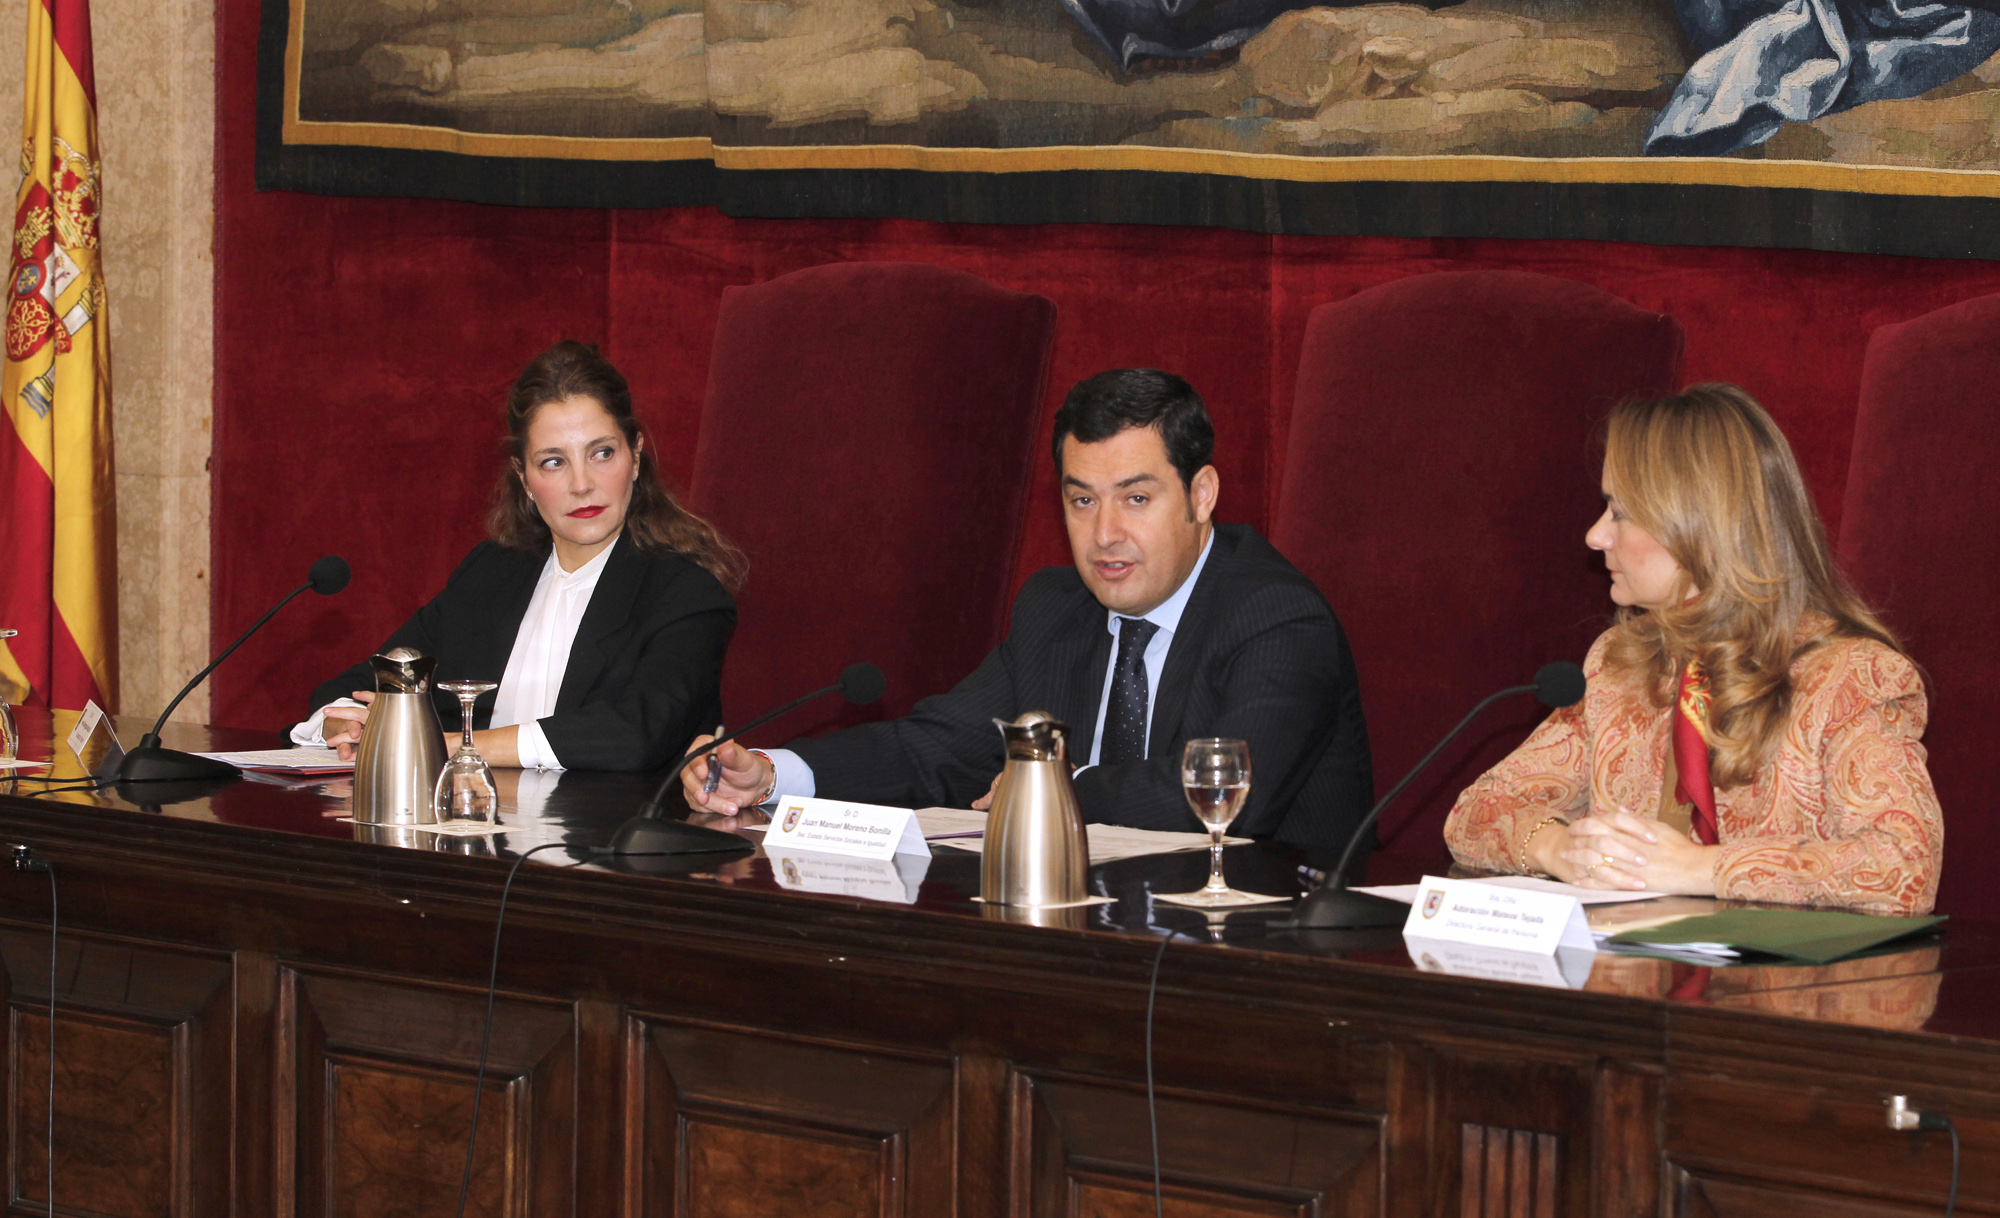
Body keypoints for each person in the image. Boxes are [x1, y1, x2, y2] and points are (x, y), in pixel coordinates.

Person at [684, 369, 1373, 849]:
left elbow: (1234, 796)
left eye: (1136, 499)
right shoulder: (1057, 607)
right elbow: (936, 748)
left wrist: (1055, 789)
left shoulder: (1276, 616)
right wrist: (772, 773)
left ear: (1201, 495)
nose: (1105, 534)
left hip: (1263, 958)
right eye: (1082, 500)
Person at [1444, 384, 1941, 915]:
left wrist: (1700, 869)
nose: (1594, 536)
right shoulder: (1619, 664)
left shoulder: (1853, 676)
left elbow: (1904, 868)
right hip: (1625, 964)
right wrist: (1559, 847)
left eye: (1619, 512)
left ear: (1703, 525)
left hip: (1775, 969)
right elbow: (1476, 813)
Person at [295, 340, 742, 773]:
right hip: (470, 821)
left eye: (602, 453)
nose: (582, 484)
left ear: (636, 456)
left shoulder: (686, 591)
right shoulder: (491, 572)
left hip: (610, 824)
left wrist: (443, 746)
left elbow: (636, 733)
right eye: (553, 462)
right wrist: (345, 723)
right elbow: (364, 683)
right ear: (524, 478)